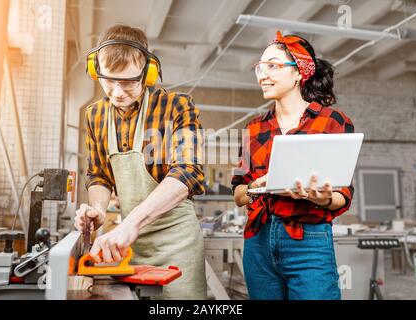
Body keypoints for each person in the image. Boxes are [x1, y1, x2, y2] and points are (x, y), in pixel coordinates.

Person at [74, 24, 206, 299]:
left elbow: (188, 172)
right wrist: (98, 211)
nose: (118, 92)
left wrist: (130, 223)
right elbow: (99, 174)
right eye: (109, 80)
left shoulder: (176, 106)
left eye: (129, 81)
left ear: (148, 73)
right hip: (127, 246)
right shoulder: (95, 115)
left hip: (176, 245)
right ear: (95, 70)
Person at [231, 31, 355, 300]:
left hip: (309, 241)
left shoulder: (332, 122)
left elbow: (343, 194)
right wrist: (255, 186)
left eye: (272, 66)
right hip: (258, 241)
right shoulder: (254, 128)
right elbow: (238, 193)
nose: (262, 75)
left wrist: (322, 198)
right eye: (260, 68)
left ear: (299, 72)